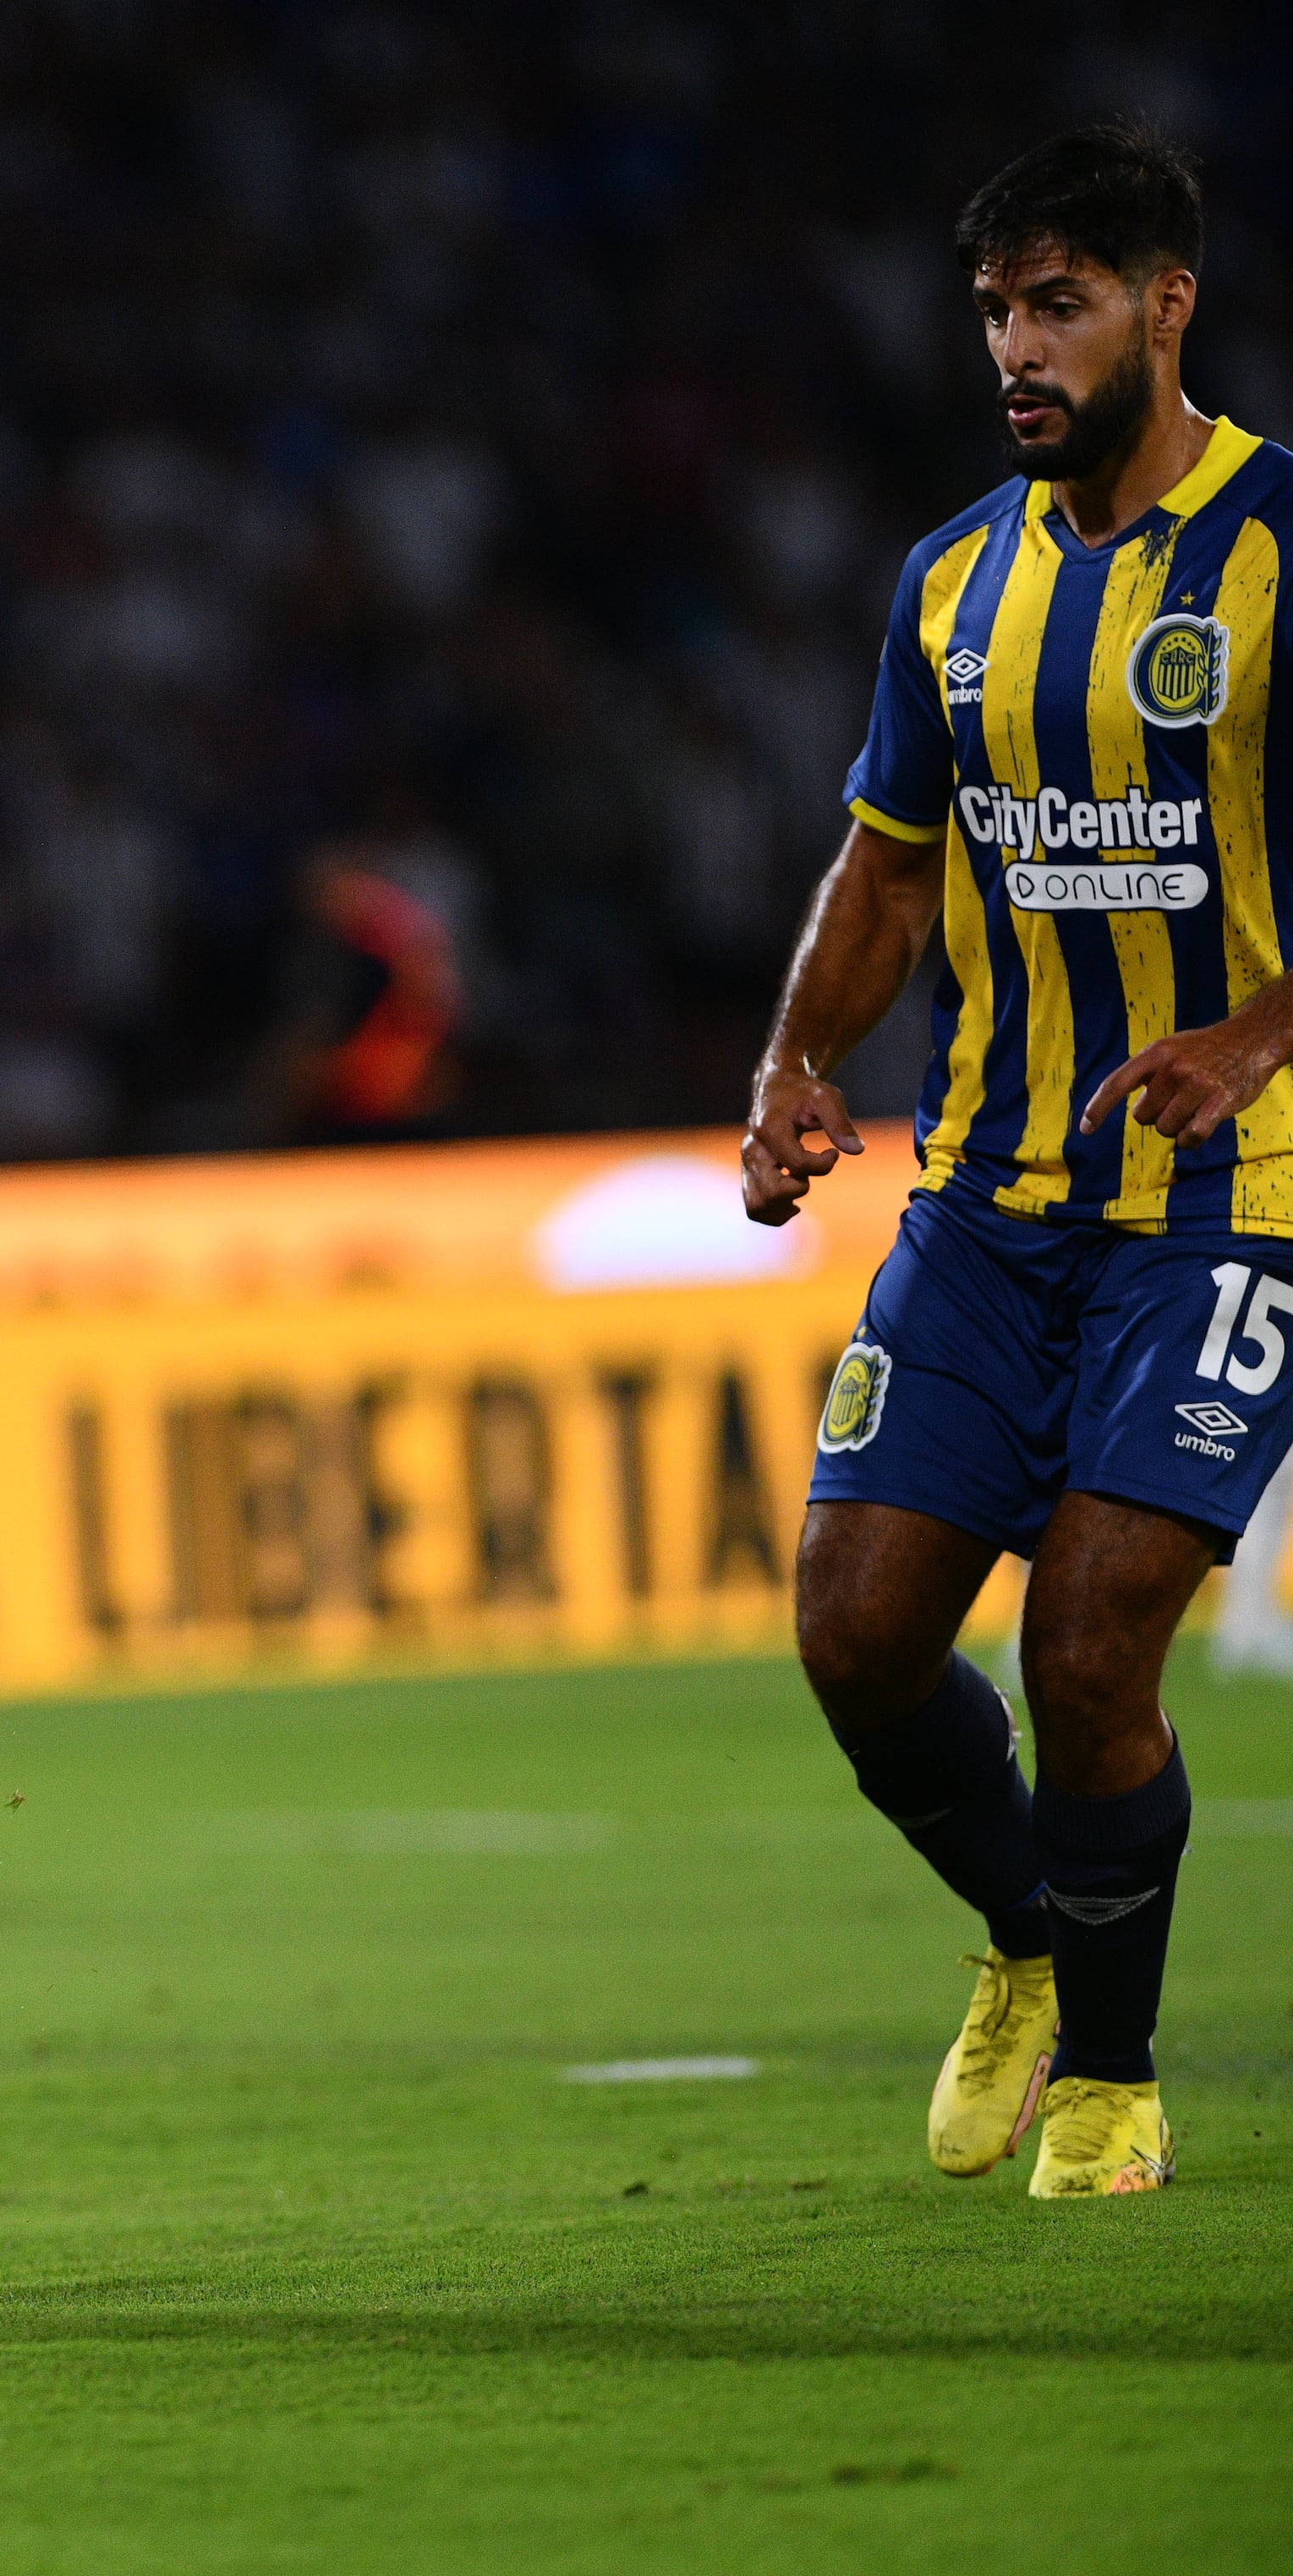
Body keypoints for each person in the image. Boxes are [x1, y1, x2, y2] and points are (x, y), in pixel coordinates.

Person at [743, 123, 1284, 2201]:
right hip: (988, 1197)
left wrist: (1251, 1033)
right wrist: (798, 1054)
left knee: (1088, 1631)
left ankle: (1120, 2081)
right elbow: (884, 868)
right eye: (992, 311)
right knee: (856, 1628)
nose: (1016, 349)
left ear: (1164, 303)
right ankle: (1033, 1940)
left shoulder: (1280, 552)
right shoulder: (953, 581)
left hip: (1236, 1197)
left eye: (1056, 303)